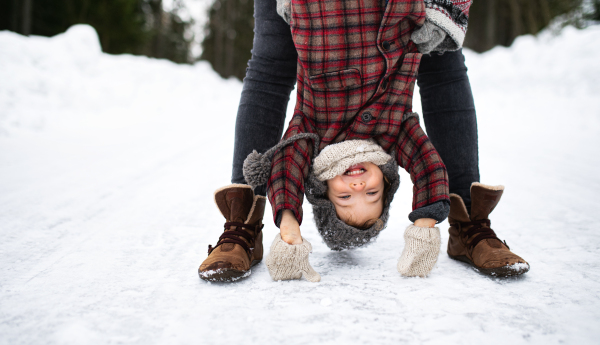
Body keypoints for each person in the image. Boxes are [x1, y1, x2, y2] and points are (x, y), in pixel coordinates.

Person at [198, 0, 530, 282]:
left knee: (442, 61)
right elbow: (429, 169)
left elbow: (287, 166)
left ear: (323, 185)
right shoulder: (395, 131)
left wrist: (289, 224)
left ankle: (468, 223)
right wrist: (424, 226)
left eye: (344, 196)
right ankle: (243, 227)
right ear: (386, 181)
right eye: (372, 193)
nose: (358, 186)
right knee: (272, 61)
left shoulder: (312, 133)